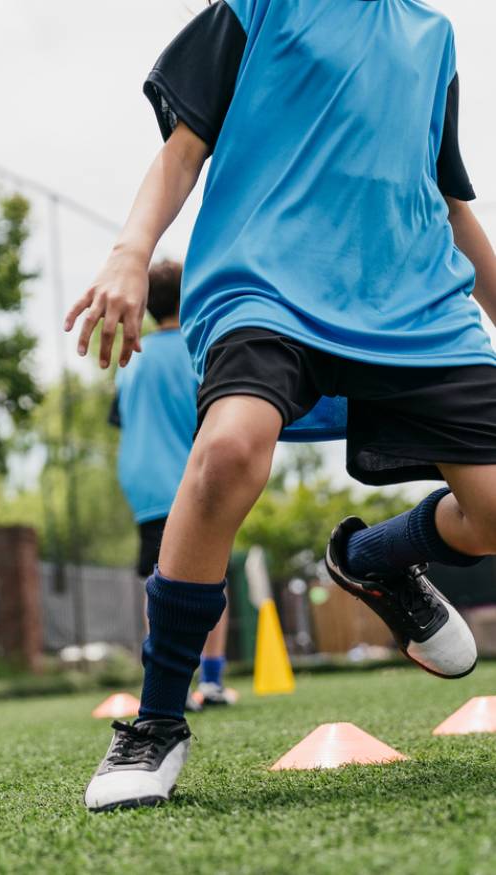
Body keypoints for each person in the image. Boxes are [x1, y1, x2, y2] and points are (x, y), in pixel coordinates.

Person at [65, 0, 496, 812]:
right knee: (229, 448)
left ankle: (371, 558)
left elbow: (449, 206)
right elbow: (180, 152)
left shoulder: (432, 40)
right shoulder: (256, 8)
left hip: (414, 307)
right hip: (264, 287)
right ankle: (156, 721)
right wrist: (130, 252)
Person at [110, 259, 235, 708]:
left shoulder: (132, 360)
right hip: (191, 478)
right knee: (211, 577)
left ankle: (169, 685)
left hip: (142, 484)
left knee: (158, 584)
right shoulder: (198, 350)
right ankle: (212, 682)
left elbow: (120, 419)